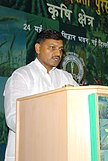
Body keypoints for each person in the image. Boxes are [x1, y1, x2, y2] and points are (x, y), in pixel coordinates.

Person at [3, 29, 79, 161]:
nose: (57, 53)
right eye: (52, 47)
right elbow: (13, 119)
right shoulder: (21, 76)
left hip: (60, 152)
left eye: (60, 49)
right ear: (38, 48)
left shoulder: (66, 77)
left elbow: (81, 103)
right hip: (28, 153)